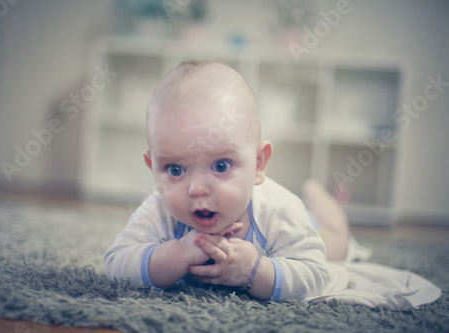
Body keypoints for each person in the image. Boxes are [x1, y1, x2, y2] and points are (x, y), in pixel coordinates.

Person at [104, 60, 351, 301]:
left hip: (309, 228)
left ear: (258, 164)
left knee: (337, 242)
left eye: (220, 166)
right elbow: (116, 264)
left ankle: (320, 197)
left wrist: (256, 271)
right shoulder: (158, 210)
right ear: (153, 168)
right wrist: (177, 254)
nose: (196, 189)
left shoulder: (280, 211)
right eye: (175, 170)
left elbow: (315, 275)